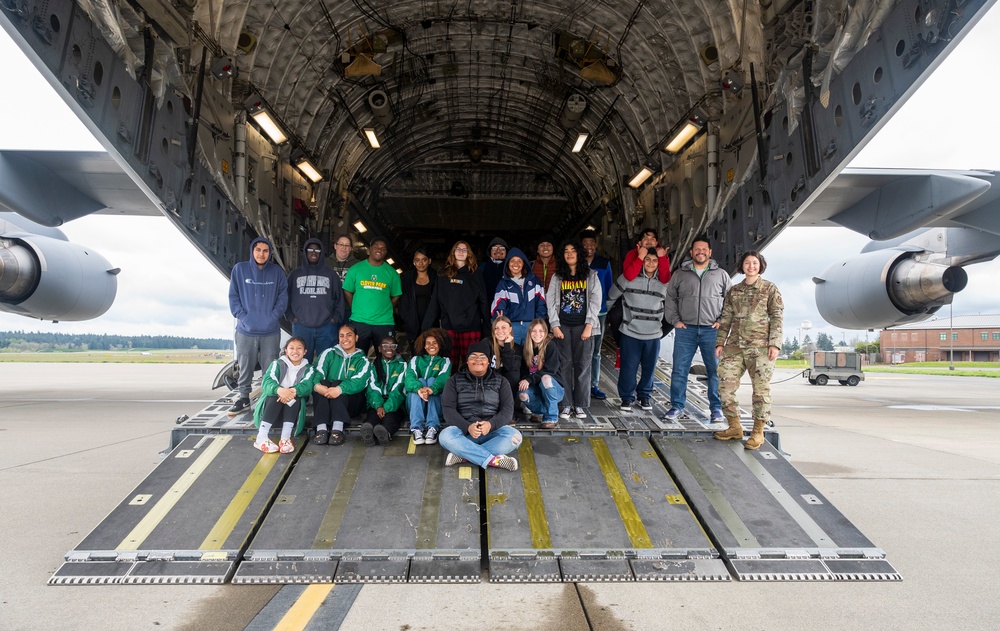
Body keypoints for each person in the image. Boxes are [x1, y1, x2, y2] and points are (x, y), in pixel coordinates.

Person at [714, 251, 783, 450]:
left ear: (760, 265)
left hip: (761, 348)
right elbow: (725, 319)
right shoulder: (734, 291)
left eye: (755, 263)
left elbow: (777, 317)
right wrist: (720, 343)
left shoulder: (769, 289)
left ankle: (758, 432)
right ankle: (734, 427)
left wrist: (774, 343)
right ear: (742, 266)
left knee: (760, 391)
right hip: (734, 347)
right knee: (725, 388)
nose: (751, 266)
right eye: (747, 263)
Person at [662, 235, 732, 422]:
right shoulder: (679, 274)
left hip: (711, 330)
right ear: (691, 252)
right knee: (679, 370)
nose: (700, 252)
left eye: (704, 249)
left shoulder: (721, 275)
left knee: (714, 371)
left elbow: (730, 301)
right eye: (697, 249)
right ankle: (677, 407)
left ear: (709, 252)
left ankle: (716, 409)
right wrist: (675, 321)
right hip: (686, 330)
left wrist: (721, 320)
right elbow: (670, 299)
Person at [438, 339, 521, 471]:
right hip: (464, 432)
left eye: (482, 357)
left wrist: (491, 424)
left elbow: (507, 409)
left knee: (515, 436)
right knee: (445, 436)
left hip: (491, 430)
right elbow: (448, 410)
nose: (478, 360)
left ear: (488, 361)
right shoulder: (454, 380)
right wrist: (467, 426)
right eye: (473, 356)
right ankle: (493, 460)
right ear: (467, 360)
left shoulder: (501, 381)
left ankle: (464, 455)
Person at [228, 237, 288, 416]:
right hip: (246, 330)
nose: (261, 254)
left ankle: (268, 398)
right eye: (258, 250)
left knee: (270, 366)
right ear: (252, 251)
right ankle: (244, 398)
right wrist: (243, 317)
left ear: (270, 253)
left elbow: (283, 297)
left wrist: (274, 316)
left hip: (270, 330)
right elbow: (233, 296)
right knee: (245, 363)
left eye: (265, 250)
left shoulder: (277, 272)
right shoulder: (240, 269)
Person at [546, 240, 602, 420]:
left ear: (579, 254)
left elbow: (595, 301)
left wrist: (589, 325)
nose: (569, 254)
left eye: (573, 250)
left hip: (584, 327)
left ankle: (580, 405)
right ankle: (565, 404)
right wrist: (554, 325)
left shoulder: (591, 275)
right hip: (563, 327)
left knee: (583, 366)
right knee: (563, 366)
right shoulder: (557, 277)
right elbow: (550, 301)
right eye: (566, 251)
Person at [608, 252, 668, 411]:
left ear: (658, 263)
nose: (650, 263)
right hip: (630, 332)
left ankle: (644, 396)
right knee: (628, 367)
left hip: (653, 334)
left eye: (655, 260)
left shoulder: (664, 283)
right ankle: (626, 398)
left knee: (649, 368)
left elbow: (673, 306)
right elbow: (611, 296)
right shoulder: (628, 278)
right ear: (642, 261)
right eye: (647, 259)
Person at [423, 240, 490, 368]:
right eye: (457, 249)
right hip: (449, 328)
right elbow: (435, 302)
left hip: (472, 327)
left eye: (464, 250)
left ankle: (471, 388)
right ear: (453, 253)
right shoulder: (443, 275)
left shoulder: (475, 274)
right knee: (449, 365)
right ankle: (449, 388)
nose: (460, 252)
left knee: (472, 365)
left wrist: (487, 329)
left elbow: (484, 302)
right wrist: (426, 328)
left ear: (469, 254)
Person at [252, 336, 316, 454]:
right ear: (286, 350)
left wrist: (290, 392)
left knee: (296, 398)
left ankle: (285, 438)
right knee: (273, 395)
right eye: (291, 348)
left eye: (299, 348)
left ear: (305, 351)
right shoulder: (277, 364)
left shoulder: (309, 368)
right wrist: (280, 390)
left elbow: (307, 386)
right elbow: (267, 382)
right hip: (271, 416)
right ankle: (261, 437)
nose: (295, 351)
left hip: (292, 417)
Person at [286, 238, 344, 363]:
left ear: (322, 253)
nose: (314, 252)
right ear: (305, 252)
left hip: (327, 327)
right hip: (301, 327)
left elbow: (339, 298)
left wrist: (335, 319)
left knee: (327, 362)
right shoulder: (294, 275)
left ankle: (324, 383)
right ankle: (304, 383)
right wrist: (291, 317)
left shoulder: (331, 275)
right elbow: (286, 297)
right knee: (300, 363)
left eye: (317, 250)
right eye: (310, 250)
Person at [343, 236, 402, 357]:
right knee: (357, 357)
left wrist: (386, 308)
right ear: (370, 249)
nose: (379, 250)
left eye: (383, 248)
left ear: (385, 252)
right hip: (359, 322)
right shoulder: (356, 269)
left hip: (384, 323)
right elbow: (347, 291)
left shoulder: (392, 273)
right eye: (376, 247)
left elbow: (396, 296)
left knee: (386, 357)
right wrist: (355, 307)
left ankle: (381, 376)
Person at [312, 324, 371, 445]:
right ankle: (321, 428)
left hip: (351, 405)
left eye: (349, 335)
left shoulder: (363, 360)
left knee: (339, 383)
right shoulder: (328, 353)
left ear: (356, 338)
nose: (345, 339)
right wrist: (317, 386)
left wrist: (339, 389)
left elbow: (359, 382)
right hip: (327, 402)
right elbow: (317, 372)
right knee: (322, 383)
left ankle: (337, 428)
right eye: (341, 336)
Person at [581, 229, 614, 401]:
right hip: (579, 313)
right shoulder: (576, 263)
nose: (589, 247)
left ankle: (594, 384)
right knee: (578, 351)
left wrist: (607, 312)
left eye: (591, 243)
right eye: (585, 244)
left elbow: (609, 287)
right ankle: (578, 386)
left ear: (596, 245)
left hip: (599, 312)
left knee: (596, 350)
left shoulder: (603, 263)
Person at [405, 328, 453, 446]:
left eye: (434, 343)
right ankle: (416, 428)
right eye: (428, 343)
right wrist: (420, 389)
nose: (431, 346)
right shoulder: (416, 360)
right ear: (424, 346)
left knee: (432, 381)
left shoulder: (445, 361)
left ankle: (432, 427)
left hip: (435, 405)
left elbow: (443, 379)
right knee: (420, 381)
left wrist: (431, 389)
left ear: (440, 345)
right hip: (416, 403)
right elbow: (409, 379)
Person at [490, 247, 547, 344]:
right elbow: (499, 305)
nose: (516, 264)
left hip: (531, 326)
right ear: (507, 263)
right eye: (512, 261)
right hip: (512, 327)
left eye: (519, 261)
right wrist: (502, 322)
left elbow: (541, 304)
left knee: (531, 357)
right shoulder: (504, 283)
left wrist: (538, 322)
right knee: (512, 357)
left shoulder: (534, 281)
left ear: (524, 263)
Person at [517, 319, 564, 428]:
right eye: (534, 331)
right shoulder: (526, 349)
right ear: (529, 332)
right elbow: (524, 372)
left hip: (554, 389)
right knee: (523, 394)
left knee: (546, 378)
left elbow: (550, 370)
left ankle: (551, 417)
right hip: (536, 389)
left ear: (546, 332)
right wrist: (525, 381)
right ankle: (538, 412)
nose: (537, 334)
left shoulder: (550, 346)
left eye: (541, 331)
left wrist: (529, 379)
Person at [361, 335, 407, 446]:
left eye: (393, 346)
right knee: (373, 415)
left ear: (396, 348)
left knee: (391, 418)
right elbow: (373, 388)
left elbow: (398, 389)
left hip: (395, 403)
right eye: (385, 345)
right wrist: (378, 406)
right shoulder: (374, 365)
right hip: (378, 401)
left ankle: (385, 433)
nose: (389, 348)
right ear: (380, 348)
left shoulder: (403, 365)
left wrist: (386, 408)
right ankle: (369, 432)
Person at [399, 247, 438, 353]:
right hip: (412, 322)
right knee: (415, 352)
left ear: (429, 261)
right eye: (417, 260)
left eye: (424, 259)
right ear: (414, 262)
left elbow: (439, 300)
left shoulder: (436, 277)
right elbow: (403, 300)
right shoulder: (407, 277)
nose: (421, 263)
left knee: (431, 351)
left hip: (431, 322)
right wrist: (406, 318)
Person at [327, 233, 359, 328]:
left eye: (347, 245)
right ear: (335, 246)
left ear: (351, 248)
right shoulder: (325, 263)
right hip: (330, 309)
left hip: (350, 309)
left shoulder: (358, 265)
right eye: (341, 244)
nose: (344, 248)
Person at [488, 316, 523, 400]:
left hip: (509, 389)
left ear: (510, 329)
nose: (500, 331)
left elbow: (510, 367)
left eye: (503, 327)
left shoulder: (517, 348)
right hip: (491, 385)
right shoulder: (487, 344)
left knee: (514, 374)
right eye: (496, 328)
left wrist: (507, 345)